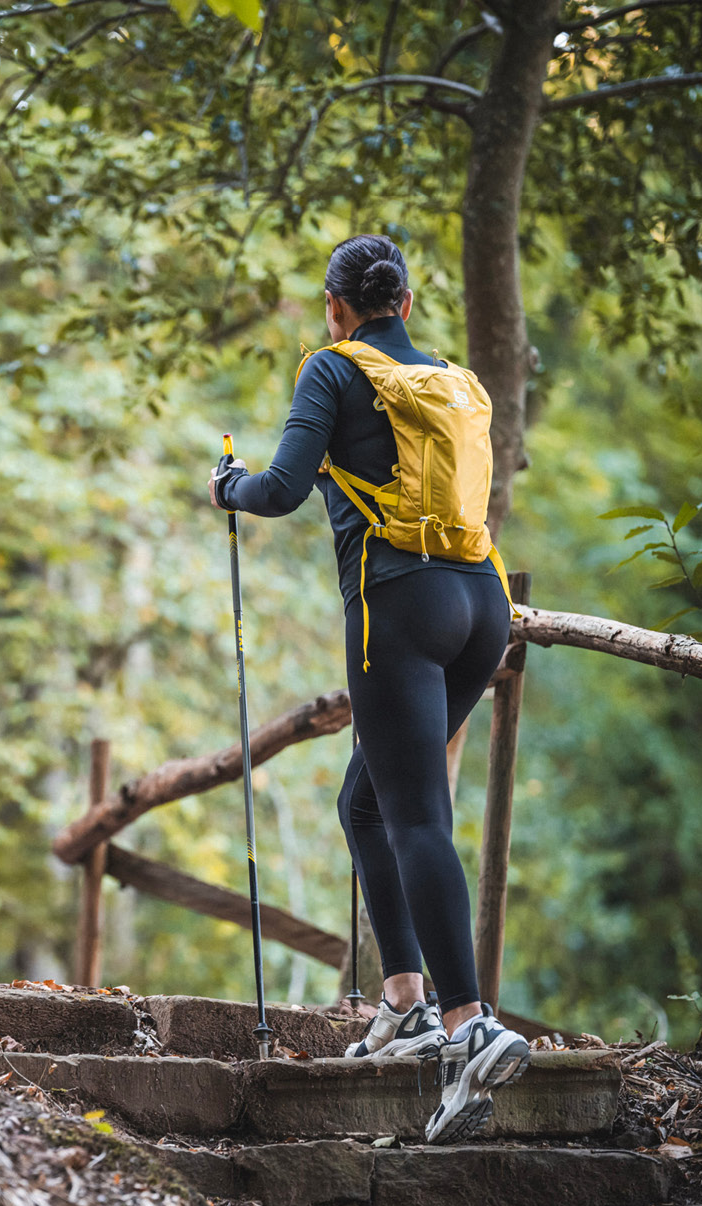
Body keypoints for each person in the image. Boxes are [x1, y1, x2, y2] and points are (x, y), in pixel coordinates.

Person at [208, 234, 530, 1144]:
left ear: (335, 305)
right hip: (482, 606)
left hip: (398, 608)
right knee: (368, 802)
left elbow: (278, 490)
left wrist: (226, 487)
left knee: (417, 815)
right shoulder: (457, 381)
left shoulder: (333, 371)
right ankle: (404, 1004)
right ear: (410, 303)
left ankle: (470, 1029)